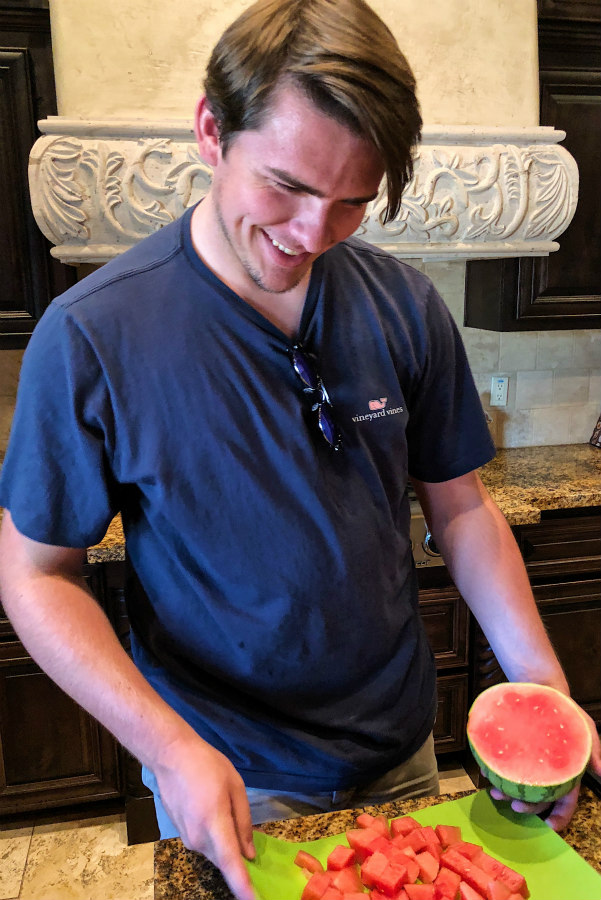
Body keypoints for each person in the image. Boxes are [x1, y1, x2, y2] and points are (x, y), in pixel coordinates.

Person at [0, 1, 599, 899]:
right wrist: (170, 750)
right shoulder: (90, 337)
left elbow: (462, 507)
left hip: (402, 747)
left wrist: (539, 683)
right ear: (212, 129)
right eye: (285, 185)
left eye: (352, 200)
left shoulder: (403, 305)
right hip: (229, 770)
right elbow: (38, 575)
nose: (314, 234)